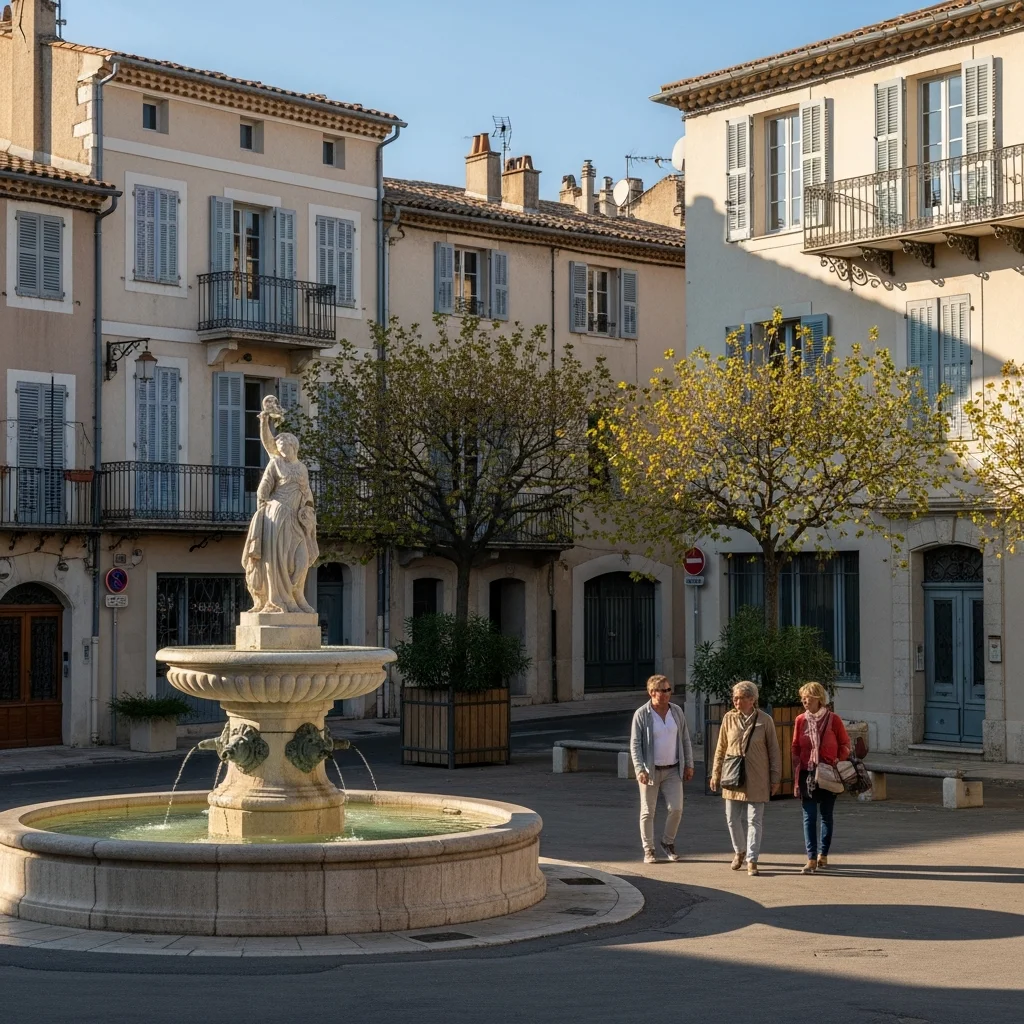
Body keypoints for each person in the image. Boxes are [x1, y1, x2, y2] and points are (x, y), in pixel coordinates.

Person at [242, 395, 319, 614]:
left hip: (297, 518)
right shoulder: (276, 463)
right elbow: (263, 488)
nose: (282, 445)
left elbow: (307, 493)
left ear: (294, 446)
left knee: (301, 559)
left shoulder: (302, 468)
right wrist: (264, 421)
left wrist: (309, 510)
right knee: (277, 563)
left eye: (285, 442)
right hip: (277, 516)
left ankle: (298, 596)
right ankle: (281, 601)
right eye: (279, 443)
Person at [710, 681, 781, 876]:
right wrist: (715, 773)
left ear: (752, 699)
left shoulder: (765, 720)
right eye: (735, 697)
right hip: (733, 775)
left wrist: (775, 778)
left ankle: (752, 859)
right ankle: (739, 851)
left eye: (740, 697)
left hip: (758, 776)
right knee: (732, 819)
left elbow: (774, 750)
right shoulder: (728, 718)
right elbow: (721, 747)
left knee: (754, 820)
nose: (736, 700)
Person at [629, 674, 695, 864]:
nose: (666, 694)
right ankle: (648, 849)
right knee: (648, 812)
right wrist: (639, 768)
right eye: (661, 690)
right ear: (651, 692)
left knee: (676, 808)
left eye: (668, 690)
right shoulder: (642, 714)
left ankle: (667, 842)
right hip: (650, 770)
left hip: (673, 769)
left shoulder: (676, 712)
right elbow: (635, 744)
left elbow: (684, 739)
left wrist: (688, 764)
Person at [792, 681, 850, 874]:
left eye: (807, 696)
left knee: (826, 815)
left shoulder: (834, 720)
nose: (804, 700)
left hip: (828, 772)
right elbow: (795, 746)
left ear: (818, 698)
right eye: (802, 697)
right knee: (809, 816)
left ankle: (823, 854)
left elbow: (845, 744)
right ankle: (811, 858)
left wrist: (837, 759)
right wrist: (800, 762)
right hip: (807, 772)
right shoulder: (800, 720)